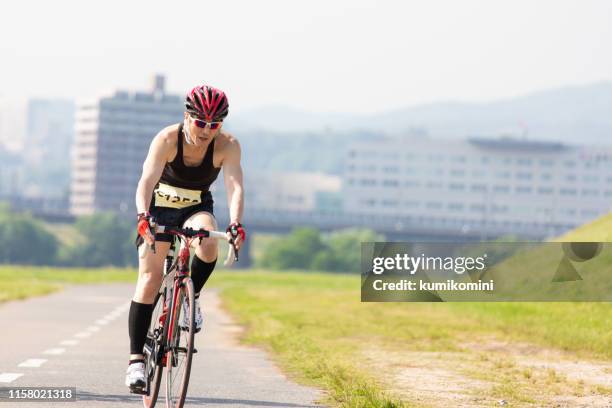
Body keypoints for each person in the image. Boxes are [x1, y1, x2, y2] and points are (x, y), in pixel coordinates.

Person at [125, 84, 246, 392]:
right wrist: (143, 216)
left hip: (195, 207)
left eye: (214, 124)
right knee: (150, 279)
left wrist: (235, 223)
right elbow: (146, 181)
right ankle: (136, 361)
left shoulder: (227, 146)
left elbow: (235, 187)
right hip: (159, 206)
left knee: (207, 243)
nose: (206, 130)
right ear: (187, 116)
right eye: (200, 122)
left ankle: (192, 298)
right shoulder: (167, 139)